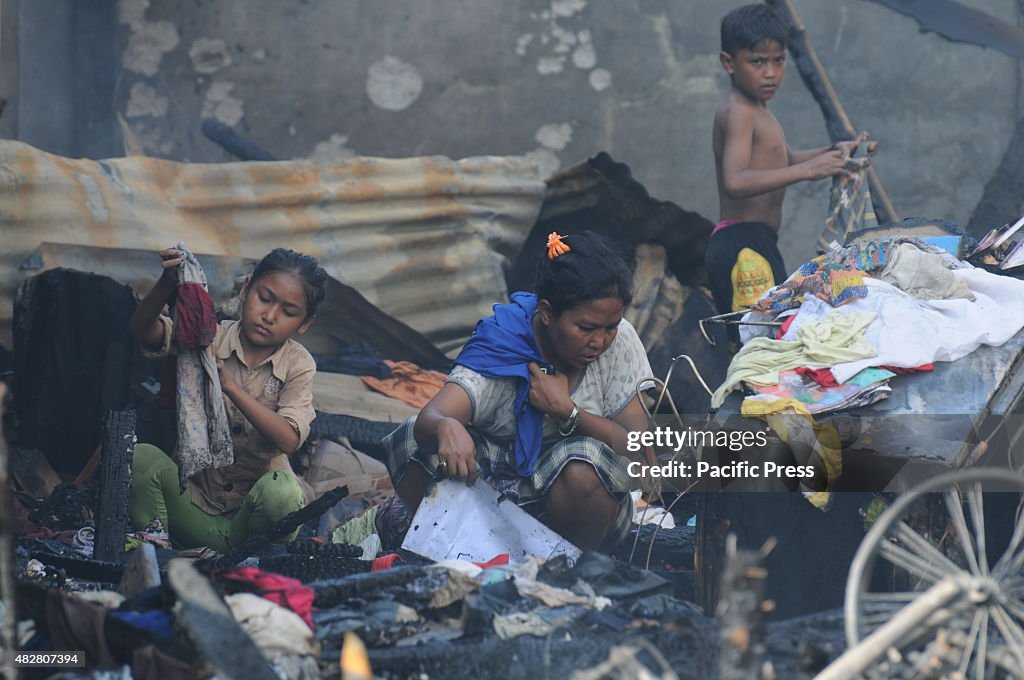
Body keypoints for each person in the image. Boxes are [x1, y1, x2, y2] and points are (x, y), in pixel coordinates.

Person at [382, 231, 653, 551]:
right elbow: (432, 417)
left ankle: (571, 571)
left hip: (582, 517)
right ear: (548, 312)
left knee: (585, 467)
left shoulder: (619, 342)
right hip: (488, 506)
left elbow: (642, 447)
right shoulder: (502, 346)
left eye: (610, 326)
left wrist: (569, 413)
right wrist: (446, 426)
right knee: (411, 438)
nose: (600, 341)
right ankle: (470, 555)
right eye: (586, 328)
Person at [129, 246, 327, 551]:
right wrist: (167, 283)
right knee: (141, 457)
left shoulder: (299, 365)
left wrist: (231, 387)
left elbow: (289, 439)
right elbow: (143, 329)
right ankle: (156, 550)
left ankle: (256, 563)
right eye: (264, 298)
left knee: (284, 493)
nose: (270, 316)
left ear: (305, 323)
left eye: (288, 312)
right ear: (246, 289)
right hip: (192, 508)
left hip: (252, 528)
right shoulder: (209, 336)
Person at [707, 4, 876, 321]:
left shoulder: (759, 109)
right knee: (757, 343)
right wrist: (807, 171)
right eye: (757, 61)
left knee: (769, 336)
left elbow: (785, 160)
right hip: (742, 247)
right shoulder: (739, 111)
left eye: (778, 60)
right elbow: (735, 181)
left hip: (758, 242)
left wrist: (837, 153)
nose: (770, 72)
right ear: (728, 63)